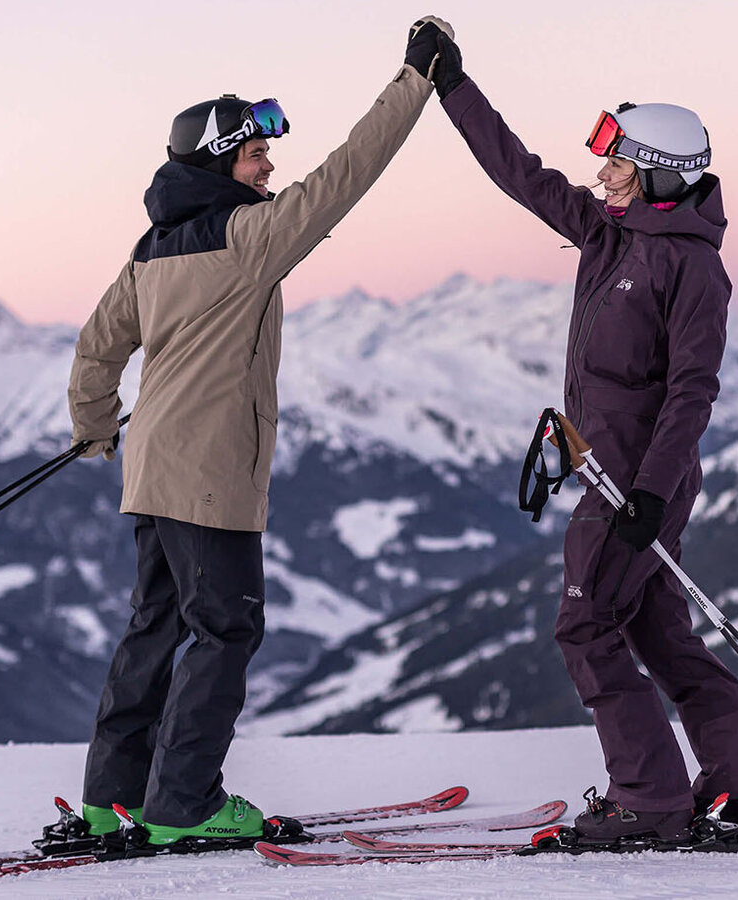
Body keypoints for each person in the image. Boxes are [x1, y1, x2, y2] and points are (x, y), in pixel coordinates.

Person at [63, 18, 455, 845]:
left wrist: (97, 432)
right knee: (227, 628)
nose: (270, 166)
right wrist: (414, 81)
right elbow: (348, 175)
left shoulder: (149, 251)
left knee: (154, 626)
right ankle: (186, 804)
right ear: (218, 165)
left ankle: (112, 795)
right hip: (210, 480)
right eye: (255, 156)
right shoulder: (248, 239)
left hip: (153, 473)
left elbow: (97, 351)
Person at [408, 28, 738, 843]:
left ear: (659, 174)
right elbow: (521, 174)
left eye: (619, 159)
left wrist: (648, 490)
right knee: (657, 630)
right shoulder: (608, 233)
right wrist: (453, 87)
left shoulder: (692, 269)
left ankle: (649, 798)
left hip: (637, 484)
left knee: (584, 626)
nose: (601, 171)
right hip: (618, 477)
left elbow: (692, 390)